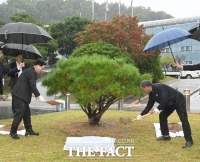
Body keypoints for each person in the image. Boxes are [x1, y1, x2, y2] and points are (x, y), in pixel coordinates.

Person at [136, 80, 193, 149]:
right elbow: (149, 105)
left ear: (147, 87)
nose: (143, 90)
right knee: (162, 116)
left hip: (178, 100)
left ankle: (189, 141)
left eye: (143, 88)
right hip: (169, 104)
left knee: (184, 119)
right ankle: (166, 136)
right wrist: (141, 115)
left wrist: (158, 108)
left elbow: (164, 99)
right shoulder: (151, 94)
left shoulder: (159, 87)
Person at [10, 60, 46, 140]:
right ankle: (13, 131)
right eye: (42, 68)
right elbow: (33, 86)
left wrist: (32, 94)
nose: (41, 70)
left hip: (23, 95)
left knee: (26, 113)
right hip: (19, 95)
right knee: (20, 113)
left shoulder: (31, 71)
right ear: (37, 65)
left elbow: (27, 84)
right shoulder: (31, 72)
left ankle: (29, 130)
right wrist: (39, 96)